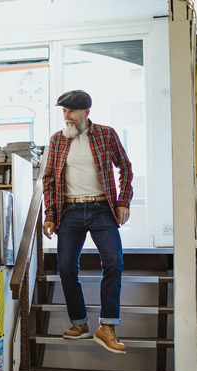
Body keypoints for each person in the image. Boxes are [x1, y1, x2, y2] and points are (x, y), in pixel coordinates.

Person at [42, 90, 133, 354]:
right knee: (67, 267)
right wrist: (49, 214)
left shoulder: (106, 134)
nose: (66, 117)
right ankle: (79, 323)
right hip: (69, 211)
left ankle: (107, 327)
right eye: (63, 112)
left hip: (101, 208)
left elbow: (125, 167)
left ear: (86, 112)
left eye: (70, 112)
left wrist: (123, 201)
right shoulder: (57, 140)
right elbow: (48, 179)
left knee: (114, 261)